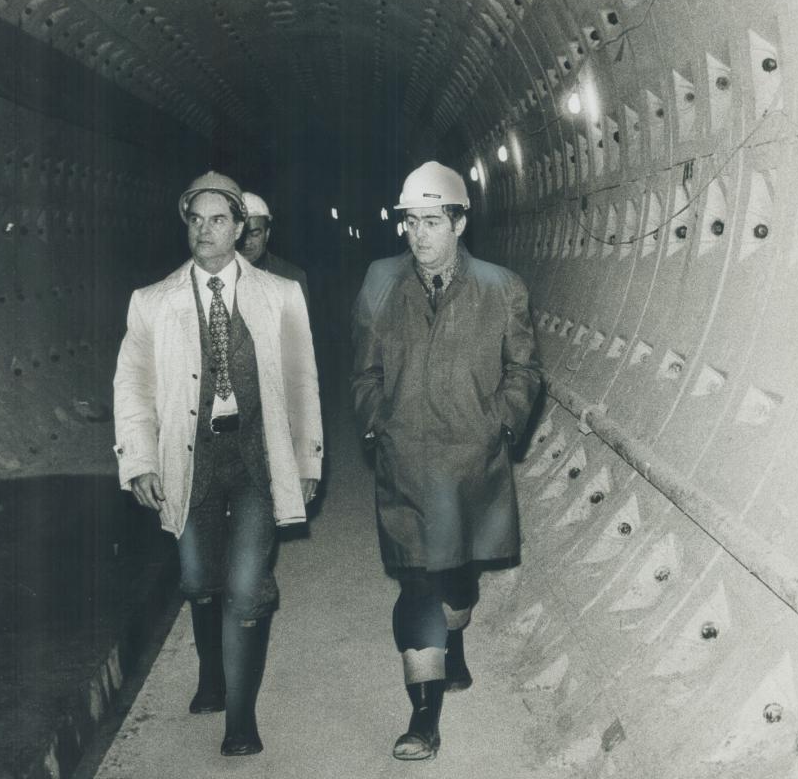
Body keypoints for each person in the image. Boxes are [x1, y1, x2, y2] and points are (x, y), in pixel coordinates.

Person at [113, 171, 323, 757]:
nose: (204, 231)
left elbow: (303, 381)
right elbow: (132, 385)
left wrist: (307, 458)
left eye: (217, 220)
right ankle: (210, 674)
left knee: (243, 587)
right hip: (192, 455)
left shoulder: (280, 295)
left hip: (256, 456)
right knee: (199, 580)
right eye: (195, 219)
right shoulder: (153, 303)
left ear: (240, 228)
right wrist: (139, 460)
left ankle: (240, 717)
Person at [351, 160, 542, 761]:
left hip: (470, 466)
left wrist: (501, 422)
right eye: (410, 222)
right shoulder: (381, 283)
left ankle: (454, 645)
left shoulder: (500, 287)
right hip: (405, 464)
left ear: (459, 222)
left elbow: (525, 370)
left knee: (456, 584)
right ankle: (423, 717)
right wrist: (376, 420)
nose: (419, 236)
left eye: (432, 222)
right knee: (418, 585)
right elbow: (364, 371)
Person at [238, 191, 310, 310]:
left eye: (255, 234)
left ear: (267, 234)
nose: (247, 242)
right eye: (241, 235)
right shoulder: (219, 274)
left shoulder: (291, 276)